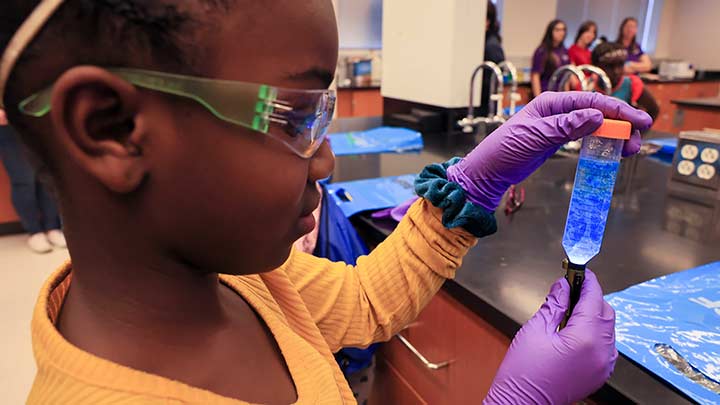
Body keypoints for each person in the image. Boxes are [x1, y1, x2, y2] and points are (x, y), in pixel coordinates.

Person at [0, 1, 651, 403]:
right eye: (295, 116)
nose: (326, 158)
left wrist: (472, 183)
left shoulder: (240, 280)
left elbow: (366, 300)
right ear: (110, 127)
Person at [0, 108, 65, 253]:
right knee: (24, 180)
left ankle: (53, 227)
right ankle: (34, 231)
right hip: (9, 120)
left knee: (48, 176)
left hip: (42, 114)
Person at [591, 41, 660, 124]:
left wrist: (636, 132)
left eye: (620, 65)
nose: (616, 71)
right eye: (610, 66)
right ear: (597, 66)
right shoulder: (587, 86)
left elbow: (653, 110)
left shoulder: (632, 85)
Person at [479, 0, 505, 117]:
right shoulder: (482, 42)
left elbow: (493, 80)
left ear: (487, 21)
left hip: (485, 107)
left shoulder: (491, 45)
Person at [531, 19, 570, 97]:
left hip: (560, 94)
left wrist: (567, 95)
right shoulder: (542, 51)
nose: (561, 33)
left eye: (563, 30)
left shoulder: (564, 51)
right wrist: (538, 98)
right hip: (546, 92)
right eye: (557, 30)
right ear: (550, 31)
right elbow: (535, 76)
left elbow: (566, 77)